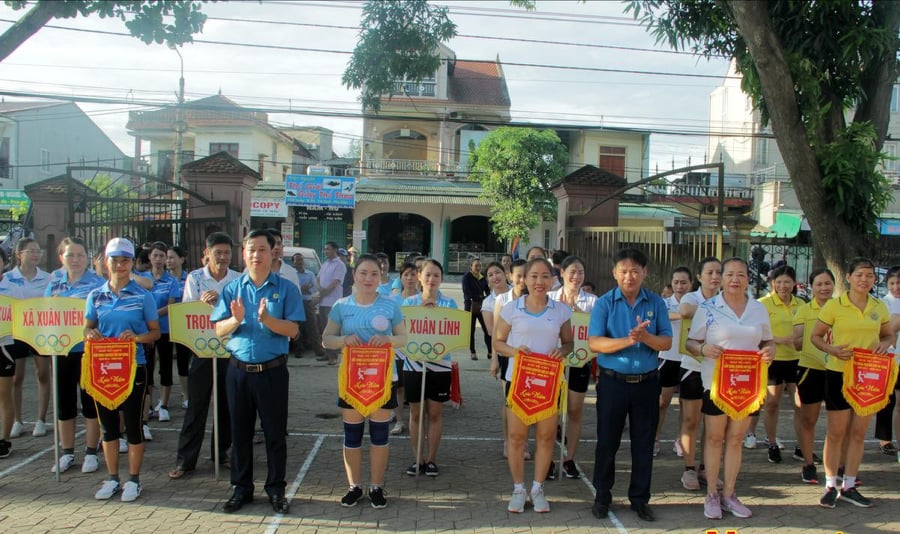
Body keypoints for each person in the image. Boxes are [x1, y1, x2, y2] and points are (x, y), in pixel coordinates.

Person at [211, 230, 303, 514]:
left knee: (275, 434)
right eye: (251, 249)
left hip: (272, 372)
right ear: (244, 253)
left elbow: (294, 330)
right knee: (239, 433)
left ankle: (276, 489)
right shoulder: (232, 289)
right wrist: (235, 320)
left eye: (262, 249)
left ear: (272, 252)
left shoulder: (286, 288)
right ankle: (241, 489)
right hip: (238, 371)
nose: (256, 255)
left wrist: (268, 320)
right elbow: (219, 329)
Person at [685, 257, 775, 520]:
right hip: (716, 383)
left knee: (736, 439)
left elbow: (768, 340)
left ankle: (730, 493)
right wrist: (703, 349)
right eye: (730, 275)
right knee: (714, 438)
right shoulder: (709, 307)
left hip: (747, 385)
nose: (736, 280)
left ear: (749, 278)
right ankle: (712, 493)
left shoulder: (758, 309)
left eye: (742, 275)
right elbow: (691, 342)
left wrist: (769, 350)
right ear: (721, 279)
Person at [588, 247, 672, 523]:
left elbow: (667, 342)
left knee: (644, 443)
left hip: (647, 384)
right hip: (613, 384)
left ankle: (640, 499)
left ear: (645, 273)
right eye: (623, 271)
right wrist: (628, 340)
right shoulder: (604, 303)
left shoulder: (656, 303)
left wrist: (645, 336)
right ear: (614, 273)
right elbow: (595, 342)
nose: (629, 276)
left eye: (635, 270)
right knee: (607, 442)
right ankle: (602, 495)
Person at [321, 254, 407, 509]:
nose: (368, 278)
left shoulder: (390, 305)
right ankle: (354, 486)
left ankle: (377, 487)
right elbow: (326, 338)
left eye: (374, 274)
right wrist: (343, 341)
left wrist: (389, 340)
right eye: (363, 273)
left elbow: (404, 337)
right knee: (353, 436)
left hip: (382, 380)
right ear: (354, 275)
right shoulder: (341, 305)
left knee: (379, 436)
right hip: (352, 381)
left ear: (381, 277)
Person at [811, 257, 892, 509]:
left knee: (858, 433)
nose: (864, 279)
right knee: (836, 433)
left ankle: (849, 485)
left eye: (869, 275)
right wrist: (831, 349)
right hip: (838, 373)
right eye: (859, 275)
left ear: (874, 280)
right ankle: (830, 485)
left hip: (868, 376)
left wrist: (886, 343)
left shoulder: (880, 306)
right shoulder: (835, 306)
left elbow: (888, 333)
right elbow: (815, 336)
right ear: (848, 277)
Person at [493, 257, 573, 513]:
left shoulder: (561, 310)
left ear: (552, 280)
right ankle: (518, 488)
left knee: (546, 436)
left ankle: (538, 488)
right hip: (519, 382)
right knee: (517, 437)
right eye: (534, 276)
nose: (539, 282)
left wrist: (563, 351)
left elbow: (569, 343)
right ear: (524, 280)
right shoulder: (512, 308)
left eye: (545, 277)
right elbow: (498, 342)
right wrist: (515, 352)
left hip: (549, 384)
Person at [84, 237, 160, 503]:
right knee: (108, 427)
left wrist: (136, 338)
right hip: (102, 369)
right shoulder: (95, 295)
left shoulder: (143, 296)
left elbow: (155, 333)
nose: (119, 265)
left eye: (124, 260)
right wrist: (90, 333)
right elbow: (87, 327)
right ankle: (112, 477)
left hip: (133, 367)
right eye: (114, 260)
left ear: (132, 264)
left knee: (134, 426)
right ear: (106, 263)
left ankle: (134, 480)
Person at [168, 232, 241, 480]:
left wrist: (221, 302)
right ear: (207, 254)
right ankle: (185, 460)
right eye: (217, 252)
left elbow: (241, 311)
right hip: (201, 349)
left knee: (226, 406)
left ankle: (222, 454)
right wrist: (201, 303)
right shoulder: (195, 278)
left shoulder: (238, 279)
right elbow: (187, 310)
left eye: (227, 253)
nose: (222, 257)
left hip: (228, 350)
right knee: (196, 406)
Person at [45, 237, 105, 474]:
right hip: (61, 350)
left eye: (80, 255)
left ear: (87, 257)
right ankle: (67, 452)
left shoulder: (97, 284)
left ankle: (91, 452)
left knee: (90, 403)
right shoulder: (54, 284)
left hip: (88, 351)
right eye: (70, 255)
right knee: (64, 403)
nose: (76, 260)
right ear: (62, 258)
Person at [401, 259, 456, 477]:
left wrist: (437, 314)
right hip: (413, 365)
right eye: (428, 275)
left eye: (436, 275)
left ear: (441, 279)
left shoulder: (450, 304)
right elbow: (401, 332)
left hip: (440, 365)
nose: (431, 279)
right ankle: (417, 458)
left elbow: (454, 333)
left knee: (435, 412)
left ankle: (431, 459)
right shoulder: (408, 303)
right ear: (419, 277)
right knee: (416, 413)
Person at [548, 255, 597, 480]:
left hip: (579, 362)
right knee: (550, 412)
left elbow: (597, 329)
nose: (576, 277)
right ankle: (547, 459)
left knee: (575, 411)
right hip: (552, 362)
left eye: (580, 273)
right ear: (562, 274)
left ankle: (569, 458)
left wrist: (577, 311)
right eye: (572, 272)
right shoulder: (549, 298)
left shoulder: (593, 302)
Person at [749, 264, 802, 463]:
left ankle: (801, 446)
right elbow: (758, 335)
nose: (783, 286)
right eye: (778, 282)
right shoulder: (762, 304)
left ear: (794, 283)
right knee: (772, 404)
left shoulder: (801, 305)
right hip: (772, 361)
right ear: (773, 283)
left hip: (796, 361)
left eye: (787, 282)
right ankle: (771, 443)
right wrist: (779, 340)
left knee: (800, 405)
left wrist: (795, 341)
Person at [680, 257, 722, 488]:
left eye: (718, 272)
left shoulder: (729, 301)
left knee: (713, 423)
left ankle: (707, 467)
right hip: (693, 366)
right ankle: (688, 467)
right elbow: (686, 311)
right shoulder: (692, 297)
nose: (715, 277)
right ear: (699, 277)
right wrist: (716, 311)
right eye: (710, 273)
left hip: (718, 370)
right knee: (691, 419)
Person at [791, 268, 835, 484]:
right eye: (819, 284)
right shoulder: (804, 310)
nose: (824, 288)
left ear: (834, 285)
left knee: (838, 423)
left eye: (827, 283)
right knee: (808, 419)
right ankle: (808, 463)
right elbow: (797, 341)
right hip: (811, 369)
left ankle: (838, 466)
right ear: (811, 287)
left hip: (838, 370)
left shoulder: (843, 310)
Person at [7, 237, 53, 438]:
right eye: (30, 251)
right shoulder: (6, 278)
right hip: (15, 332)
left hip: (40, 333)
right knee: (16, 377)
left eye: (38, 251)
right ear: (19, 255)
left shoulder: (48, 278)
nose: (36, 255)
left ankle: (41, 419)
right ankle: (18, 419)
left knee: (42, 374)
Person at [490, 259, 529, 460]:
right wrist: (494, 360)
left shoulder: (536, 299)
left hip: (529, 359)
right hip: (508, 356)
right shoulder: (503, 300)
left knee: (527, 401)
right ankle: (508, 441)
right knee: (509, 401)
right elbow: (496, 334)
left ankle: (523, 442)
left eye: (526, 275)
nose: (522, 280)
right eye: (518, 276)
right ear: (510, 276)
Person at [655, 266, 692, 465]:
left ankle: (680, 440)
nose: (679, 286)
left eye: (683, 282)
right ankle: (656, 438)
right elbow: (662, 317)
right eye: (676, 282)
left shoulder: (695, 302)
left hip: (688, 358)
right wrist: (683, 315)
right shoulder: (664, 302)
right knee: (662, 402)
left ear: (691, 284)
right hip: (667, 357)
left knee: (686, 405)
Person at [141, 242, 180, 427]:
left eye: (161, 256)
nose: (158, 259)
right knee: (147, 367)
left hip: (165, 329)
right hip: (146, 331)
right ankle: (147, 404)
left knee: (165, 366)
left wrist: (154, 314)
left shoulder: (171, 281)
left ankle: (163, 404)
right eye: (155, 255)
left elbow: (172, 304)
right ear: (149, 257)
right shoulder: (141, 279)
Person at [390, 262, 420, 436]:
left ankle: (417, 421)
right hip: (398, 350)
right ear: (400, 277)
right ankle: (399, 421)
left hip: (418, 350)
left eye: (413, 274)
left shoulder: (422, 299)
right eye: (406, 274)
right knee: (399, 387)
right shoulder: (393, 300)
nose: (410, 278)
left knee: (415, 389)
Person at [874, 265, 900, 456]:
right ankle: (885, 439)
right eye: (892, 282)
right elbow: (890, 328)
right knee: (887, 400)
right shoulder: (883, 304)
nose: (896, 286)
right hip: (890, 357)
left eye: (899, 282)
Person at [0, 248, 23, 459]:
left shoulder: (12, 288)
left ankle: (4, 440)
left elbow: (22, 315)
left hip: (4, 346)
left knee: (4, 395)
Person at [166, 245, 190, 408]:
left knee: (184, 361)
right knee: (166, 363)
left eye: (172, 257)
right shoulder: (162, 279)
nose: (168, 261)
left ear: (181, 259)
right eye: (167, 257)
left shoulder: (190, 279)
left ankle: (187, 396)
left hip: (185, 326)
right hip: (165, 326)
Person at [316, 241, 348, 365]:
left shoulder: (339, 265)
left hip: (332, 301)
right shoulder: (325, 264)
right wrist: (320, 290)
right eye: (325, 249)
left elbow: (335, 283)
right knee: (323, 328)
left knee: (332, 330)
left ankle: (333, 356)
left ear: (335, 250)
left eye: (328, 249)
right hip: (323, 301)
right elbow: (318, 279)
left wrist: (322, 293)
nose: (326, 251)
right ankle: (326, 353)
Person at [291, 252, 324, 359]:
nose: (300, 262)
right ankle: (299, 349)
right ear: (293, 262)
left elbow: (314, 288)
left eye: (301, 260)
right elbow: (292, 289)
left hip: (307, 303)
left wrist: (305, 289)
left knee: (312, 326)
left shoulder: (310, 274)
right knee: (298, 327)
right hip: (296, 304)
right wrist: (302, 289)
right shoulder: (291, 274)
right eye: (297, 260)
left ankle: (318, 349)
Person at [461, 258, 490, 361]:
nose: (478, 268)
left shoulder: (482, 278)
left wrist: (487, 299)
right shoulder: (467, 277)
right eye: (476, 265)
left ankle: (490, 351)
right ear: (471, 267)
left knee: (487, 329)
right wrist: (479, 296)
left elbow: (487, 291)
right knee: (471, 331)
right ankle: (473, 352)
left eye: (479, 266)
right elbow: (466, 292)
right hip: (470, 307)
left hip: (482, 307)